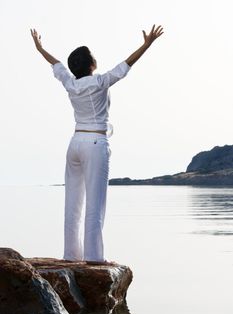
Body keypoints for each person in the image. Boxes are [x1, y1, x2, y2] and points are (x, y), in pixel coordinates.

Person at [30, 25, 164, 262]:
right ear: (91, 64)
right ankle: (93, 258)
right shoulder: (100, 82)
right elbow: (125, 66)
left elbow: (56, 64)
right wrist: (147, 44)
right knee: (95, 203)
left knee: (72, 203)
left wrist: (40, 48)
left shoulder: (70, 83)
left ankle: (71, 255)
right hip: (95, 143)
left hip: (75, 143)